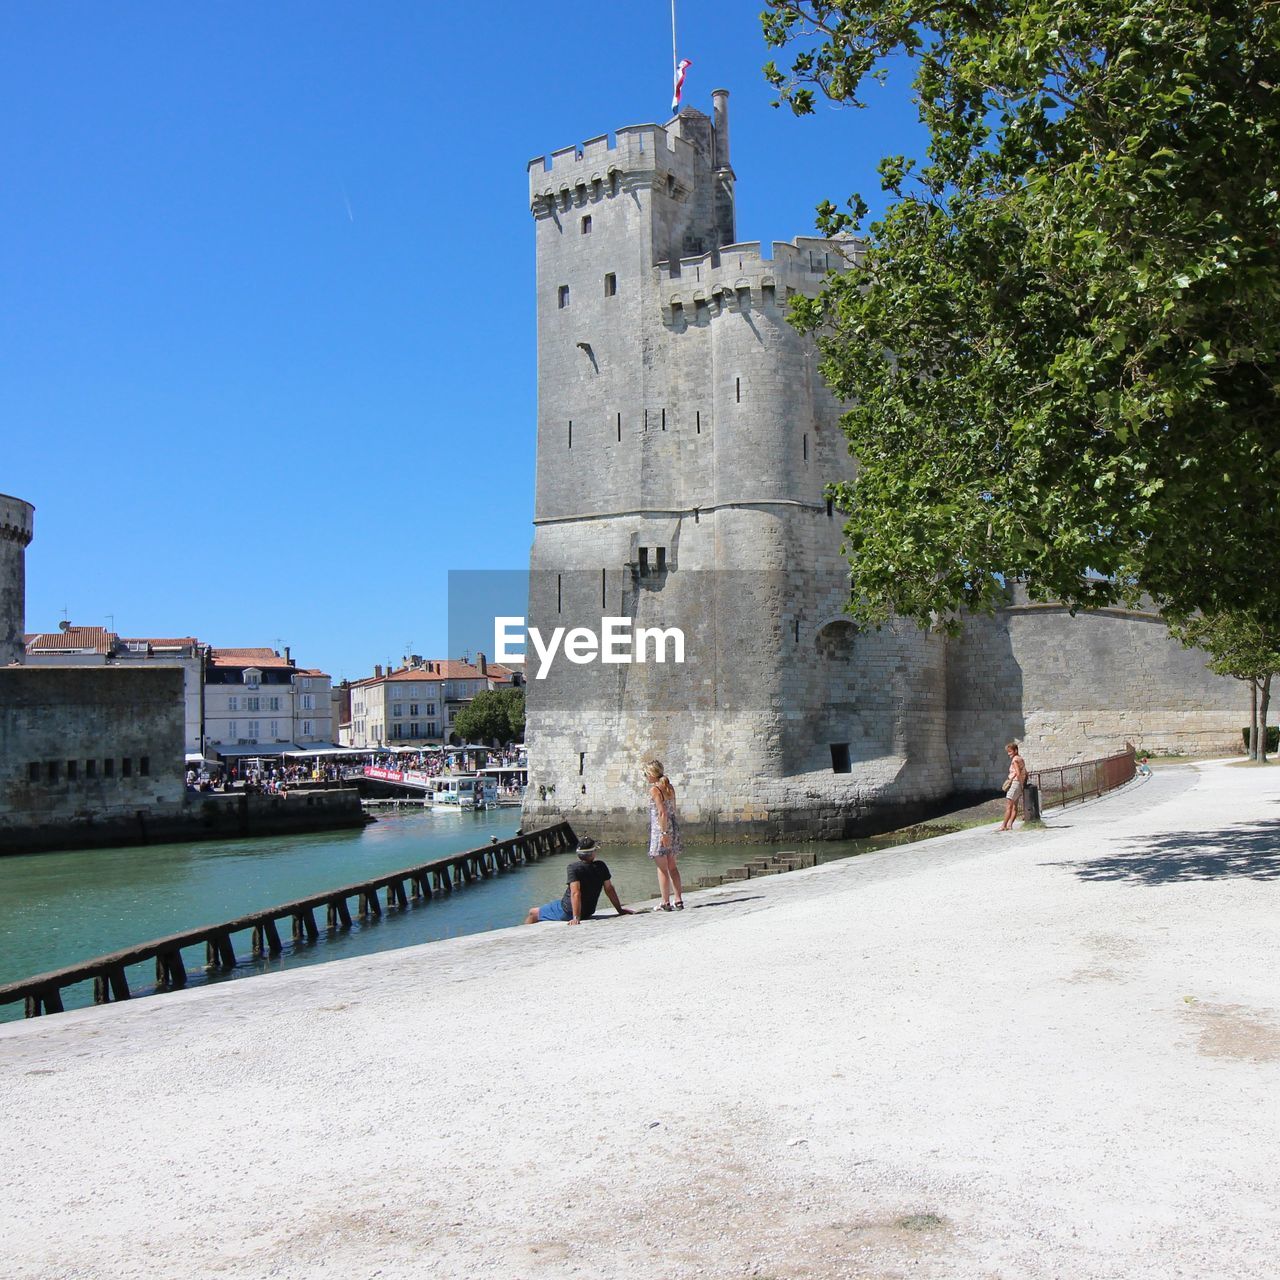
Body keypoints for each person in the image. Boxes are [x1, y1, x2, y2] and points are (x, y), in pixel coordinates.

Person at [526, 838, 633, 925]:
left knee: (533, 912)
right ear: (593, 854)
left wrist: (576, 917)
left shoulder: (573, 868)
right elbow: (609, 889)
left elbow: (575, 893)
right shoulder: (601, 866)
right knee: (555, 904)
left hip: (568, 911)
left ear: (578, 854)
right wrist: (620, 910)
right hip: (588, 911)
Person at [645, 758, 684, 910]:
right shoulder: (669, 787)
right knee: (673, 866)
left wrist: (663, 833)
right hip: (673, 828)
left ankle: (665, 902)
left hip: (661, 830)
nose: (645, 777)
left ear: (652, 774)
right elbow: (672, 809)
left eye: (646, 773)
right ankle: (679, 900)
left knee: (662, 868)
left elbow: (662, 812)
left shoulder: (655, 789)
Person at [1000, 741, 1028, 831]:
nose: (1008, 754)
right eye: (1008, 752)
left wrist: (1021, 783)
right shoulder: (1021, 759)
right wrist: (1023, 783)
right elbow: (1025, 772)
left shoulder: (1015, 760)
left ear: (1015, 750)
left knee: (1009, 806)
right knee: (1015, 806)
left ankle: (1003, 825)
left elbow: (1018, 773)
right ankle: (1010, 825)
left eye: (1010, 751)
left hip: (1015, 783)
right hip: (1019, 784)